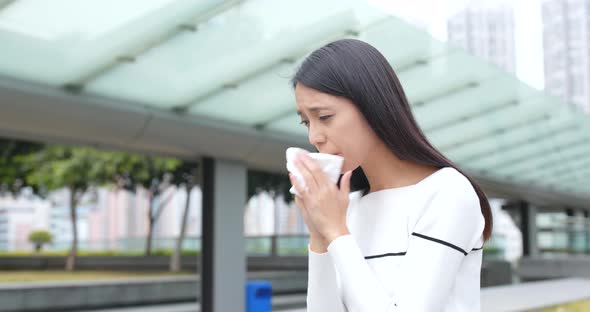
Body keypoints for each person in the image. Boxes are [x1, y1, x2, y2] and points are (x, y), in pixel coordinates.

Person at [288, 39, 493, 311]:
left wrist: (337, 233)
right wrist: (320, 238)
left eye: (324, 117)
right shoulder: (350, 206)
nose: (314, 137)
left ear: (371, 106)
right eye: (306, 122)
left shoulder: (446, 193)